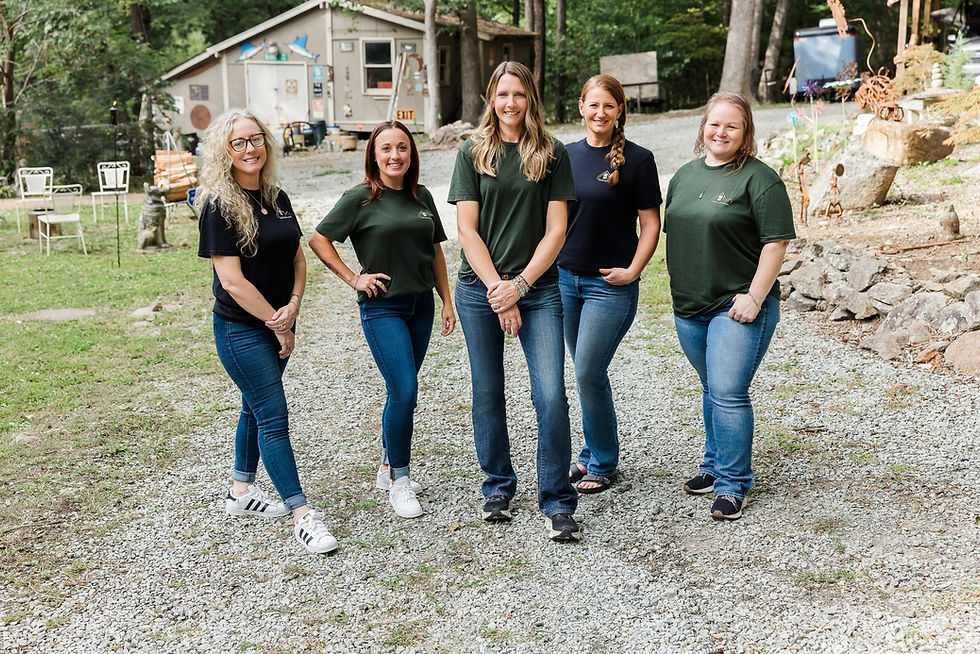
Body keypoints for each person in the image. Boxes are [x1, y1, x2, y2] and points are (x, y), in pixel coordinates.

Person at [448, 61, 580, 542]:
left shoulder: (551, 153)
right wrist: (498, 293)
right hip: (479, 290)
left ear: (531, 99)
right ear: (491, 98)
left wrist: (520, 286)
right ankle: (498, 488)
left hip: (539, 291)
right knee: (487, 393)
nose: (510, 104)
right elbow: (467, 230)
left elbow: (557, 230)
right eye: (502, 94)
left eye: (519, 95)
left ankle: (557, 500)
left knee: (550, 395)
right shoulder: (472, 153)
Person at [197, 108, 338, 554]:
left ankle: (240, 491)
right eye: (238, 142)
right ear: (225, 150)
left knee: (254, 408)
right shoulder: (218, 206)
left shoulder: (276, 197)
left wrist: (292, 308)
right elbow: (233, 282)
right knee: (273, 416)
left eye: (256, 139)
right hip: (241, 330)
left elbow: (297, 258)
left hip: (279, 321)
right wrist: (277, 323)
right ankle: (302, 514)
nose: (249, 148)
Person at [309, 120, 455, 519]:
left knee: (401, 392)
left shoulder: (421, 196)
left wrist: (446, 300)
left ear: (412, 153)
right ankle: (399, 481)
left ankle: (387, 466)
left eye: (403, 148)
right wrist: (354, 277)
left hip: (420, 307)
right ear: (374, 155)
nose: (395, 156)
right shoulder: (359, 199)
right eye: (386, 148)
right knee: (405, 390)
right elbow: (319, 239)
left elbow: (436, 252)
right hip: (382, 308)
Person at [663, 92, 795, 520]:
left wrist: (755, 297)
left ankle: (733, 484)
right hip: (689, 307)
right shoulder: (682, 176)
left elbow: (776, 244)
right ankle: (713, 464)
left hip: (736, 306)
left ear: (746, 133)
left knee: (728, 392)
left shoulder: (760, 180)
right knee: (711, 389)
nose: (721, 132)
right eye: (714, 124)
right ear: (703, 127)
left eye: (731, 126)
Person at [559, 74, 662, 494]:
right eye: (592, 105)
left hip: (610, 286)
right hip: (566, 281)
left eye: (608, 106)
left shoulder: (638, 160)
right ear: (581, 107)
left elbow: (651, 223)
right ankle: (590, 453)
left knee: (587, 370)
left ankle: (602, 460)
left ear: (620, 110)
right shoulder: (562, 156)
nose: (600, 113)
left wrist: (634, 270)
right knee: (586, 372)